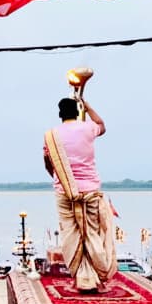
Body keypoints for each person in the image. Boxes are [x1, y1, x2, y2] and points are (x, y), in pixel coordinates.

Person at [43, 97, 116, 293]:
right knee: (91, 234)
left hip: (64, 192)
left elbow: (49, 162)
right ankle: (99, 280)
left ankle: (80, 280)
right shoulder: (88, 128)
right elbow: (102, 124)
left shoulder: (51, 135)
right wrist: (88, 105)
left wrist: (59, 179)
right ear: (78, 112)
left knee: (71, 234)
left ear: (60, 114)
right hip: (90, 190)